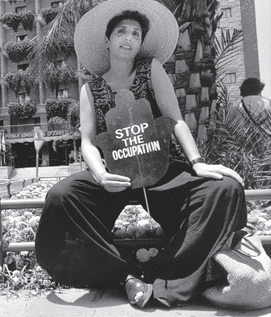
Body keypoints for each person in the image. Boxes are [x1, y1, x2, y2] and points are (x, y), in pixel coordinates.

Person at [35, 0, 247, 309]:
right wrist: (100, 174)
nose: (129, 38)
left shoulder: (152, 70)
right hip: (115, 175)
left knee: (224, 189)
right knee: (61, 195)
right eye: (122, 31)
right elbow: (88, 141)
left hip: (160, 171)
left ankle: (167, 278)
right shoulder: (90, 88)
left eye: (136, 33)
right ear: (107, 40)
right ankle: (124, 275)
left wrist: (198, 163)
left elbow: (175, 119)